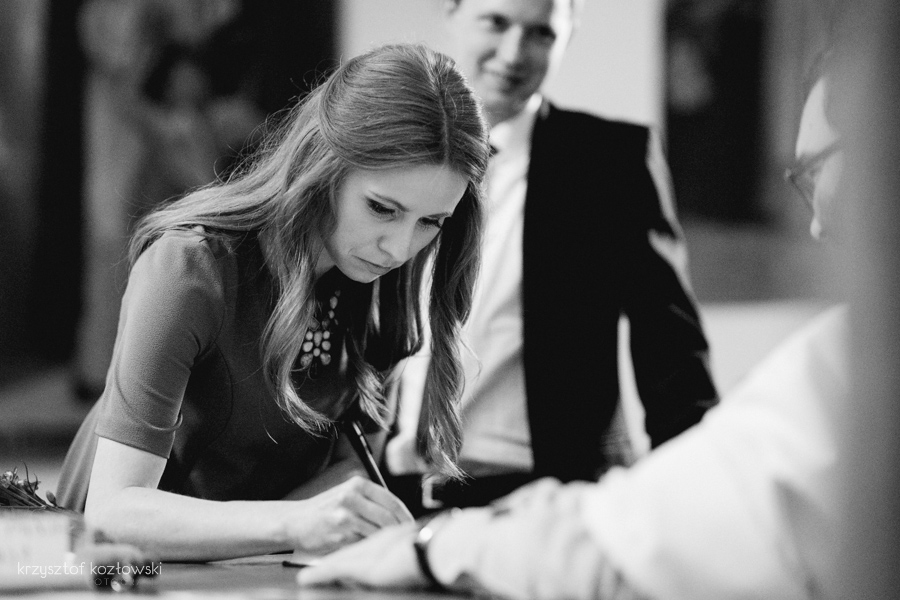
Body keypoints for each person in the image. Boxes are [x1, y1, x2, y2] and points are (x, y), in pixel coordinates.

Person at [297, 54, 850, 600]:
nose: (400, 247)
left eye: (813, 172)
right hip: (406, 499)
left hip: (538, 501)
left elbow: (674, 378)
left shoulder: (607, 158)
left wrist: (438, 548)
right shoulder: (352, 242)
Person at [55, 43, 490, 562]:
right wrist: (295, 523)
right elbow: (112, 512)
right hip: (120, 572)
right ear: (323, 163)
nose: (399, 249)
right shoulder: (190, 269)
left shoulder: (384, 291)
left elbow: (350, 472)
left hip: (249, 570)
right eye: (382, 208)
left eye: (431, 222)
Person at [383, 0, 718, 515]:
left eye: (541, 33)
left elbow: (672, 357)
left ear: (568, 35)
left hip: (542, 499)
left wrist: (690, 506)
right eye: (496, 22)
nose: (514, 53)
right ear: (452, 13)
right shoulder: (382, 150)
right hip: (387, 492)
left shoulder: (612, 160)